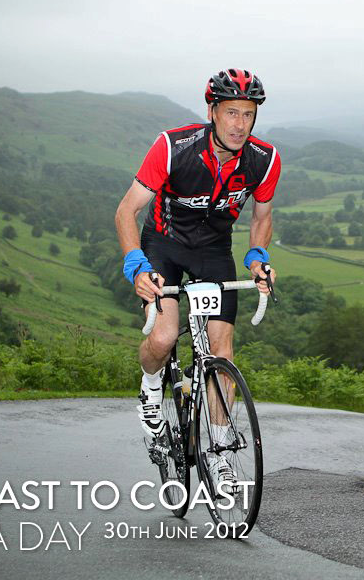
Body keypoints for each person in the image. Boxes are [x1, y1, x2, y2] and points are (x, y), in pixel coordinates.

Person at [114, 68, 280, 489]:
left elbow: (262, 217)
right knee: (164, 337)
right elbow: (125, 211)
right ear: (212, 110)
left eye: (248, 114)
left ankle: (222, 449)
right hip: (163, 246)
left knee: (223, 350)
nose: (240, 124)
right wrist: (136, 264)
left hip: (213, 251)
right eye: (231, 113)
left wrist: (258, 258)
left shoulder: (265, 159)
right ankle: (151, 386)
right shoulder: (174, 147)